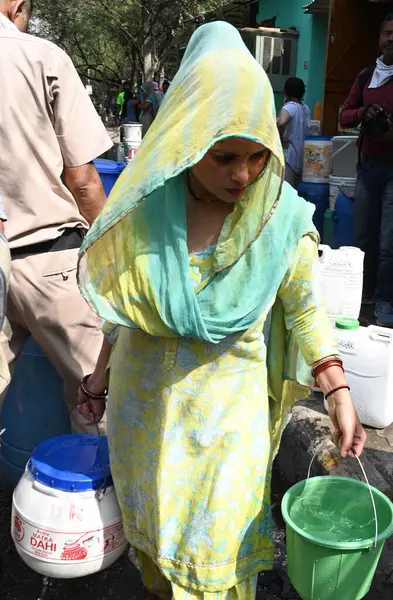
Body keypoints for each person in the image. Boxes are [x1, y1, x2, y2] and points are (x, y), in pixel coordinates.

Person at [77, 22, 366, 600]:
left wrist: (337, 391)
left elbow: (306, 313)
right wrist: (99, 377)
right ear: (188, 137)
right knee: (157, 562)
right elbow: (126, 307)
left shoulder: (280, 218)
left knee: (216, 571)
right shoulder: (145, 205)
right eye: (225, 156)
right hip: (145, 420)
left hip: (225, 429)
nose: (243, 174)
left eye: (258, 155)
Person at [0, 0, 112, 432]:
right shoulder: (42, 57)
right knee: (97, 399)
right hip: (49, 260)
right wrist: (114, 250)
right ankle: (92, 498)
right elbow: (82, 180)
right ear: (18, 6)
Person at [340, 13, 393, 327]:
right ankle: (362, 296)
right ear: (379, 38)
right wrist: (364, 111)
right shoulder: (365, 76)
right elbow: (344, 116)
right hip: (368, 167)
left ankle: (385, 299)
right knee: (363, 239)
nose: (391, 39)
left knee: (389, 242)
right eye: (387, 33)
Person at [277, 77, 311, 189]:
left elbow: (281, 122)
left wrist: (280, 139)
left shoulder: (290, 107)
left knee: (284, 193)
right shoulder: (305, 108)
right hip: (301, 157)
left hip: (289, 157)